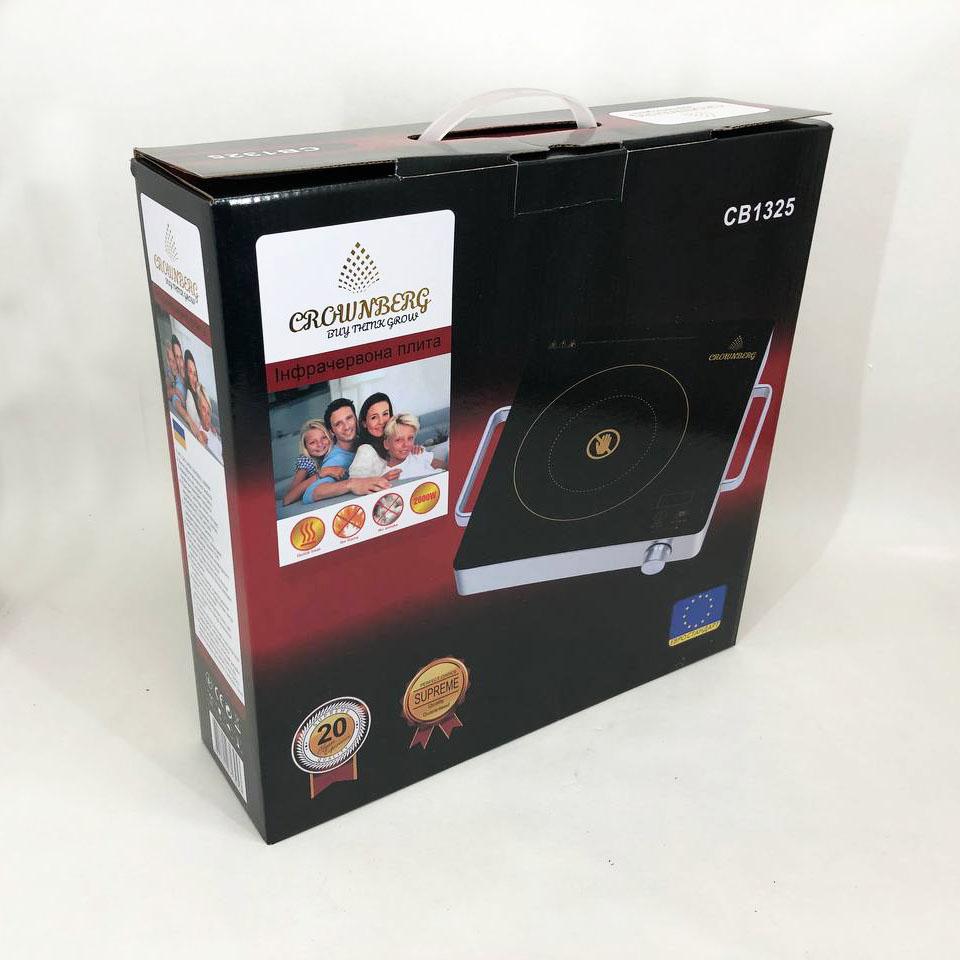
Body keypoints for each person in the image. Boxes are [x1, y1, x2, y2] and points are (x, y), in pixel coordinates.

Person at [297, 399, 399, 504]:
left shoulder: (362, 439)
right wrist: (351, 484)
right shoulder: (336, 459)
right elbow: (311, 493)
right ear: (332, 431)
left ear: (356, 418)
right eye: (338, 424)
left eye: (349, 418)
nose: (346, 427)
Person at [350, 413, 445, 481]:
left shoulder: (419, 454)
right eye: (398, 440)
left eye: (410, 438)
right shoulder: (387, 475)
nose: (406, 444)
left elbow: (448, 468)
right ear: (386, 444)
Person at [281, 419, 353, 506]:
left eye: (324, 438)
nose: (320, 444)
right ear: (306, 447)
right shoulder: (307, 461)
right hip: (301, 483)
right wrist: (321, 473)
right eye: (312, 442)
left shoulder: (336, 451)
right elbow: (287, 499)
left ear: (330, 435)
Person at [183, 350, 206, 443]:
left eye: (195, 373)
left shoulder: (198, 390)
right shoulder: (189, 398)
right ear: (186, 373)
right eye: (190, 372)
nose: (194, 378)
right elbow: (197, 426)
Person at [197, 386, 222, 463]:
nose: (207, 417)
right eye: (203, 408)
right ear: (198, 407)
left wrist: (212, 427)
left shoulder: (211, 428)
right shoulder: (201, 433)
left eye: (208, 413)